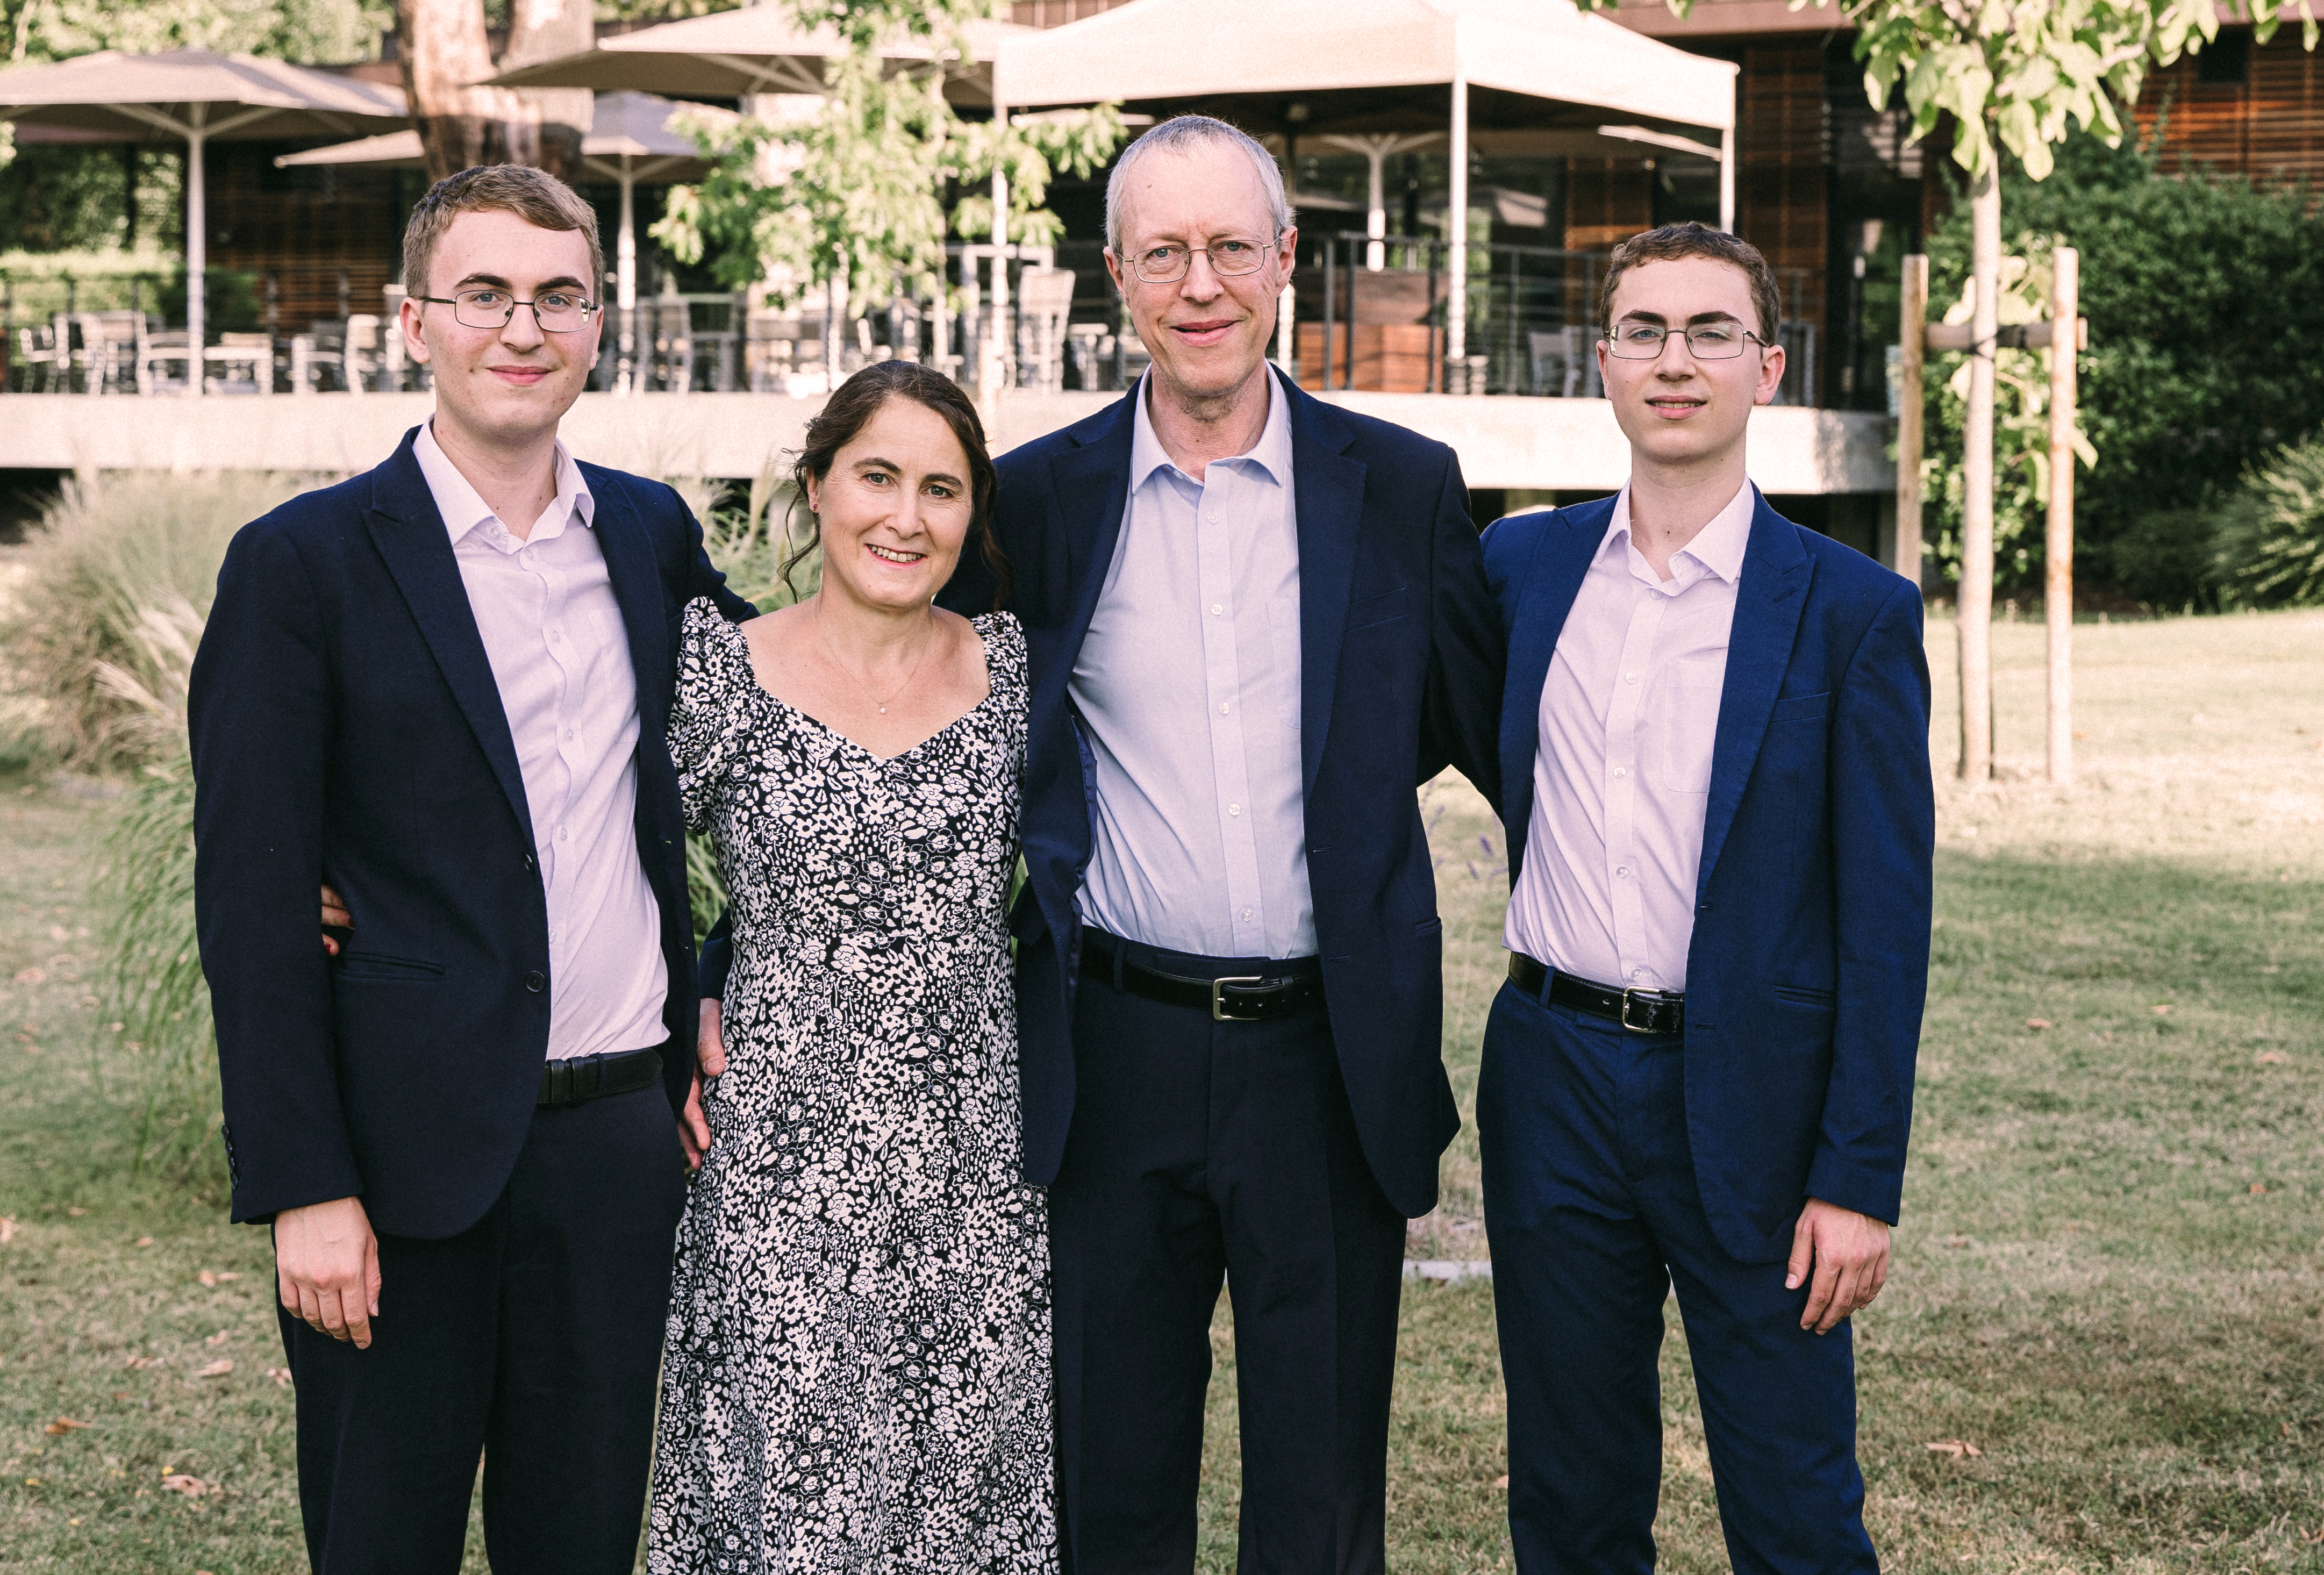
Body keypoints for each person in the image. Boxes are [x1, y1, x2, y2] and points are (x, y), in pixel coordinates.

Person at [933, 115, 1506, 1572]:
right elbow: (902, 720)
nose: (1200, 284)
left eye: (1230, 248)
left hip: (1327, 1054)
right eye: (1164, 252)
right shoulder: (1038, 501)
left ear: (1285, 263)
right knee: (1108, 1485)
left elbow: (1465, 721)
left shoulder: (1403, 485)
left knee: (1317, 1500)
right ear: (1115, 272)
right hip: (1111, 1050)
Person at [188, 164, 748, 1574]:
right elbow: (252, 906)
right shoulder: (299, 566)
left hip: (620, 1154)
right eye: (484, 293)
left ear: (600, 324)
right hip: (395, 1165)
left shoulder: (648, 535)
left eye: (558, 295)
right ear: (412, 321)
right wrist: (303, 1185)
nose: (522, 327)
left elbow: (791, 762)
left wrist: (723, 982)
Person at [1475, 221, 1933, 1573]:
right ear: (1605, 365)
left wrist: (1858, 1177)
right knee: (1570, 1487)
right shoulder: (1523, 570)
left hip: (1759, 1099)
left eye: (1711, 332)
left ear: (1768, 367)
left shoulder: (1851, 610)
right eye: (1646, 332)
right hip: (1552, 1075)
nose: (1676, 362)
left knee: (1792, 1504)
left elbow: (1886, 922)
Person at [646, 360, 1052, 1571]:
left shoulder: (1017, 671)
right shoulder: (720, 672)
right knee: (793, 1516)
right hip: (777, 1167)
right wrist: (685, 1002)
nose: (905, 516)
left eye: (941, 489)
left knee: (960, 1513)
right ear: (815, 486)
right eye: (877, 476)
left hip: (971, 1178)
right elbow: (593, 852)